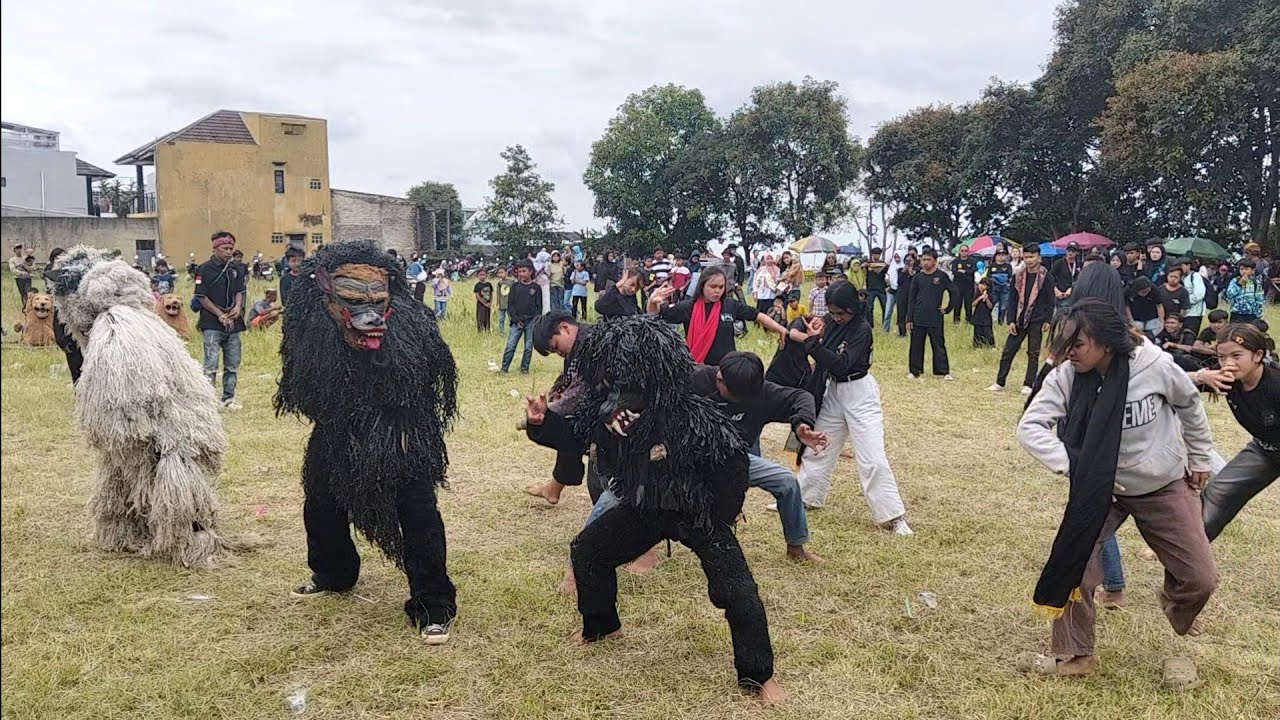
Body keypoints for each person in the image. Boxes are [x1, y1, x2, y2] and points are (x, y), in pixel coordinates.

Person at [526, 316, 787, 703]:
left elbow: (733, 465)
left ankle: (759, 676)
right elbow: (576, 435)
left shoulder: (694, 410)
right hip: (645, 505)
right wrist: (542, 422)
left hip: (696, 509)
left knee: (737, 589)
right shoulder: (613, 409)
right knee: (589, 551)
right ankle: (601, 626)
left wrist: (724, 512)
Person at [1017, 300, 1215, 688]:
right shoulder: (1068, 376)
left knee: (1200, 577)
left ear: (1107, 343)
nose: (1069, 352)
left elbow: (1190, 405)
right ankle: (1075, 655)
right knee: (1074, 566)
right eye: (1065, 343)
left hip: (1160, 483)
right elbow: (1031, 426)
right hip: (1099, 490)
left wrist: (1200, 456)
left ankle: (1175, 606)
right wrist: (1076, 465)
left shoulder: (1154, 366)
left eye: (1079, 344)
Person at [277, 241, 460, 643]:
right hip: (338, 430)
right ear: (325, 296)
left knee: (417, 512)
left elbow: (426, 385)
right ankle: (333, 573)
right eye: (350, 301)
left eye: (377, 301)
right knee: (322, 503)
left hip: (400, 431)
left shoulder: (414, 330)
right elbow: (303, 392)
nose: (369, 314)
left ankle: (434, 602)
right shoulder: (310, 332)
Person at [793, 283, 913, 535]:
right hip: (834, 391)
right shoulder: (831, 321)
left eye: (841, 313)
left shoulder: (862, 328)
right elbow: (802, 325)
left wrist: (814, 345)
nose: (836, 318)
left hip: (860, 392)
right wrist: (809, 331)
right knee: (819, 445)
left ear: (853, 308)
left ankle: (893, 515)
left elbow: (844, 365)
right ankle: (804, 497)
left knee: (872, 457)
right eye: (833, 313)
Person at [1194, 324, 1279, 541]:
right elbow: (1173, 379)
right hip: (1265, 450)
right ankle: (1191, 548)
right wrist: (1203, 377)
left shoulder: (1275, 383)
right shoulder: (1226, 378)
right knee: (1217, 493)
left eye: (1237, 355)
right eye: (1222, 357)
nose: (1228, 363)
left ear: (1258, 355)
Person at [648, 267, 788, 365]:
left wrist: (781, 329)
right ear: (702, 286)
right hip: (698, 368)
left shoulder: (730, 305)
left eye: (721, 287)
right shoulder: (688, 307)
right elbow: (657, 315)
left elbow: (758, 316)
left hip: (725, 369)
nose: (717, 291)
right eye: (713, 286)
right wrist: (652, 301)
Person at [988, 244, 1053, 394]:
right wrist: (1010, 320)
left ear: (1039, 257)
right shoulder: (1018, 276)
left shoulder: (1046, 276)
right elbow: (1012, 299)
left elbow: (1051, 301)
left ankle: (1028, 384)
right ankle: (1000, 382)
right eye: (1026, 257)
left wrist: (1048, 320)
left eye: (1032, 257)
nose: (1029, 260)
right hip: (1018, 319)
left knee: (1033, 353)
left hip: (1037, 319)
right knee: (1008, 351)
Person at [194, 231, 247, 410]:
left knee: (232, 364)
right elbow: (201, 296)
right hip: (212, 322)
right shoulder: (203, 269)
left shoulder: (237, 269)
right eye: (225, 248)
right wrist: (219, 314)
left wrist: (238, 307)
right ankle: (209, 401)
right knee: (211, 365)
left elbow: (239, 291)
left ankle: (228, 398)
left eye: (231, 248)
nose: (229, 252)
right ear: (215, 248)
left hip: (233, 322)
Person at [905, 248, 955, 380]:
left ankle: (943, 371)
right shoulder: (917, 278)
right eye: (923, 260)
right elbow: (911, 299)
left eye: (928, 260)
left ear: (935, 261)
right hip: (918, 316)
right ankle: (915, 370)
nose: (925, 262)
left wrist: (948, 308)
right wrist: (909, 319)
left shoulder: (941, 276)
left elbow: (954, 292)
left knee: (938, 344)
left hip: (935, 316)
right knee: (916, 345)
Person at [501, 260, 542, 374]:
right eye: (519, 271)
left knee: (528, 346)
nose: (521, 274)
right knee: (510, 345)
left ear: (530, 272)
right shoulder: (515, 287)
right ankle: (504, 368)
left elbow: (539, 307)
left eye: (524, 271)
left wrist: (535, 321)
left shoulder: (536, 288)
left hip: (531, 322)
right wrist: (515, 319)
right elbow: (511, 305)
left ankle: (524, 368)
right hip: (517, 322)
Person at [1224, 259, 1264, 324]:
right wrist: (1239, 284)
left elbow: (1259, 299)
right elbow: (1229, 294)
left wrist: (1258, 313)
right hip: (1236, 313)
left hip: (1251, 314)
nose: (1244, 271)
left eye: (1246, 269)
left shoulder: (1256, 283)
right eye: (1241, 269)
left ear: (1252, 271)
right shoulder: (1234, 281)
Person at [1175, 257, 1207, 334]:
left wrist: (1184, 301)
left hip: (1194, 313)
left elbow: (1199, 294)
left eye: (1181, 266)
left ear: (1188, 266)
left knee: (1190, 334)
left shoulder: (1195, 276)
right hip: (1183, 313)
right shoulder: (1181, 278)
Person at [1050, 242, 1083, 314]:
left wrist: (1072, 288)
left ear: (1077, 252)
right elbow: (1050, 277)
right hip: (1061, 296)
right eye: (1069, 250)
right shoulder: (1059, 263)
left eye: (1073, 251)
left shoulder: (1079, 264)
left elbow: (1081, 279)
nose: (1070, 253)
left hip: (1075, 296)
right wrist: (1056, 290)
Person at [951, 245, 978, 324]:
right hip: (957, 286)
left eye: (966, 251)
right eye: (962, 251)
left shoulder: (972, 261)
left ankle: (969, 321)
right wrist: (966, 273)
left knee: (968, 305)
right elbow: (954, 271)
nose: (964, 252)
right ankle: (956, 321)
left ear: (968, 252)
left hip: (969, 286)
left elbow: (973, 270)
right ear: (959, 252)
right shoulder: (955, 261)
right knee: (957, 304)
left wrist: (965, 272)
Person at [988, 248, 1014, 324]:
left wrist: (996, 276)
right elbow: (988, 276)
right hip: (994, 288)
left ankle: (1001, 322)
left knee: (1003, 306)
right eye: (999, 255)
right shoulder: (992, 266)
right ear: (995, 256)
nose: (1001, 257)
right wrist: (999, 277)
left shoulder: (1008, 266)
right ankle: (991, 321)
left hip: (1005, 288)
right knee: (992, 304)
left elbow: (1008, 275)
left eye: (1003, 255)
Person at [972, 277, 996, 348]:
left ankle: (991, 346)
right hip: (977, 316)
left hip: (986, 317)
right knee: (977, 332)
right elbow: (973, 304)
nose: (982, 286)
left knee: (988, 332)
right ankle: (977, 346)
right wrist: (980, 298)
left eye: (984, 285)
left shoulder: (990, 294)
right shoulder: (976, 293)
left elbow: (990, 306)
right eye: (981, 284)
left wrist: (987, 298)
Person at [473, 268, 493, 332]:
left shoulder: (489, 284)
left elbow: (491, 294)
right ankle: (481, 330)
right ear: (478, 276)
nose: (482, 276)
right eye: (480, 275)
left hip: (488, 304)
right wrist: (484, 303)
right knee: (480, 317)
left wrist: (490, 303)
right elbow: (477, 295)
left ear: (486, 275)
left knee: (487, 317)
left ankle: (487, 329)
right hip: (481, 305)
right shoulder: (477, 285)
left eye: (483, 274)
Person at [495, 267, 513, 333]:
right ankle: (501, 331)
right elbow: (498, 293)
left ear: (506, 273)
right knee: (501, 318)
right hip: (502, 304)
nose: (500, 274)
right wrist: (498, 302)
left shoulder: (511, 282)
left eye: (502, 272)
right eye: (499, 273)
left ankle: (512, 330)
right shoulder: (499, 283)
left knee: (511, 318)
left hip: (509, 303)